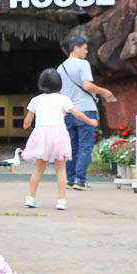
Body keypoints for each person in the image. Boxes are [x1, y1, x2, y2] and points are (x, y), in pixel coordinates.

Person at [22, 69, 99, 210]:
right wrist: (90, 121)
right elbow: (77, 114)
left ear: (41, 84)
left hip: (41, 134)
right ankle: (61, 201)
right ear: (59, 84)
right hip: (58, 134)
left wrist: (27, 124)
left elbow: (27, 123)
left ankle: (31, 198)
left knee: (38, 169)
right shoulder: (63, 99)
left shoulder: (36, 100)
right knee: (61, 169)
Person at [57, 36, 114, 190]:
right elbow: (87, 86)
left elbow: (59, 91)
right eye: (85, 48)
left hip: (68, 112)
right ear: (76, 47)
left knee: (71, 147)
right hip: (86, 110)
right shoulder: (83, 64)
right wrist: (104, 91)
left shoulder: (60, 68)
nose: (86, 52)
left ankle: (70, 179)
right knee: (85, 147)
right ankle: (80, 180)